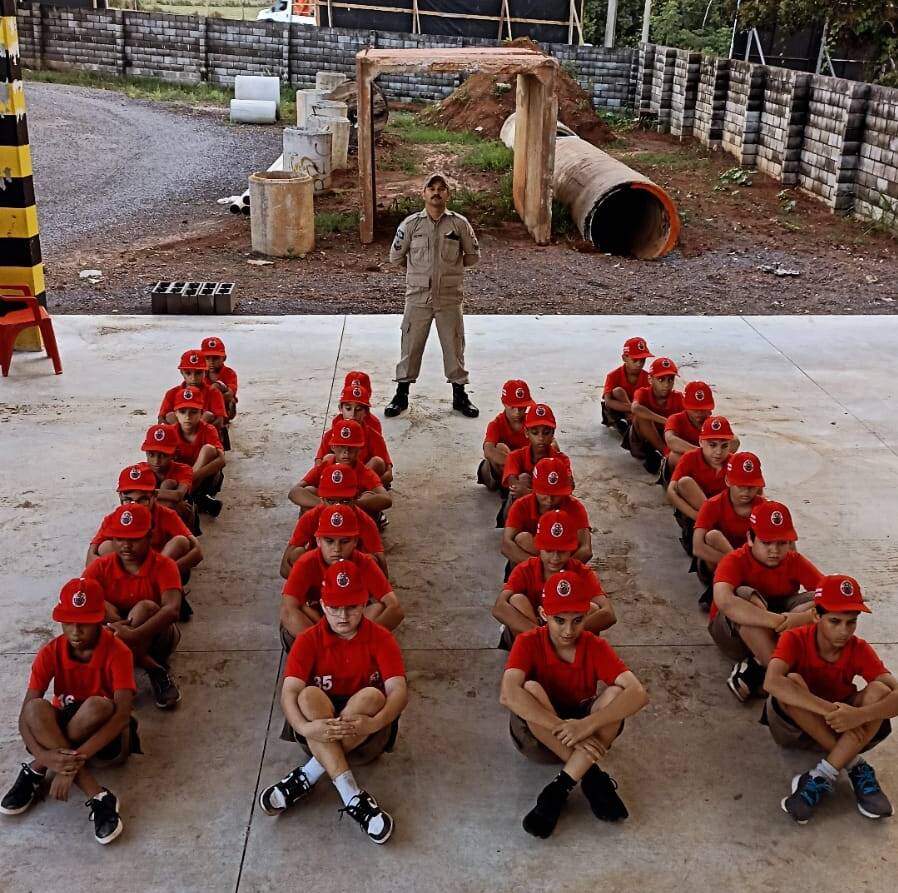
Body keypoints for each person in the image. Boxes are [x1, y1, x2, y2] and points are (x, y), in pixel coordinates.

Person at [259, 559, 408, 845]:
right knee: (307, 695)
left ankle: (307, 775)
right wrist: (306, 728)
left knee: (373, 696)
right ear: (323, 606)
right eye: (335, 607)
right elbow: (289, 693)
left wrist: (374, 722)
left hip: (365, 736)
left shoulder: (380, 638)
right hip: (317, 732)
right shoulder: (308, 640)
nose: (343, 616)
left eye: (351, 607)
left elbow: (399, 691)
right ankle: (352, 795)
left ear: (364, 604)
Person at [500, 571, 648, 838]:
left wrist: (585, 726)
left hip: (584, 731)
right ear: (543, 614)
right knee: (530, 689)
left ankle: (558, 788)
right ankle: (592, 777)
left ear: (586, 616)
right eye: (559, 620)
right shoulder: (528, 642)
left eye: (577, 620)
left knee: (618, 693)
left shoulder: (594, 645)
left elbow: (638, 693)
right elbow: (508, 694)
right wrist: (565, 729)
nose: (569, 631)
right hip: (539, 738)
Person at [0, 579, 134, 844]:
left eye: (84, 623)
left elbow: (121, 716)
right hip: (64, 729)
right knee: (35, 709)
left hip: (104, 736)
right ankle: (97, 794)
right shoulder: (50, 652)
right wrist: (43, 755)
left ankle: (36, 771)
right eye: (68, 622)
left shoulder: (118, 652)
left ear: (99, 620)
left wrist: (64, 766)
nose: (75, 631)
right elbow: (25, 717)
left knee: (97, 705)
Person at [765, 575, 898, 823]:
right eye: (835, 621)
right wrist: (832, 711)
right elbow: (771, 682)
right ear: (816, 615)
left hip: (845, 728)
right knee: (791, 681)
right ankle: (854, 763)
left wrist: (859, 715)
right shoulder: (795, 638)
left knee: (879, 690)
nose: (844, 631)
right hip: (796, 729)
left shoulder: (858, 648)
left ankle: (821, 774)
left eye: (851, 622)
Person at [385, 172, 480, 419]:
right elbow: (396, 257)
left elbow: (472, 256)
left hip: (449, 297)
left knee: (454, 346)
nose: (436, 192)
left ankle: (460, 396)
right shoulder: (411, 225)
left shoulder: (459, 224)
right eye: (431, 188)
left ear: (448, 194)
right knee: (411, 345)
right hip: (418, 297)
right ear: (424, 194)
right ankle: (401, 394)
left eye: (441, 188)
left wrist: (448, 270)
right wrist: (419, 273)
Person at [710, 501, 823, 703]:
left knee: (820, 599)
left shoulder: (794, 560)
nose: (774, 550)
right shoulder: (734, 560)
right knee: (744, 595)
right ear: (750, 538)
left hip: (779, 627)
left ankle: (756, 667)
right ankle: (778, 673)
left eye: (782, 543)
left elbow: (830, 597)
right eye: (766, 542)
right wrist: (778, 621)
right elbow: (724, 601)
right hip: (734, 634)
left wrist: (799, 618)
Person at [83, 504, 183, 709]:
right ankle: (154, 668)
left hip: (157, 637)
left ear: (149, 537)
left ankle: (118, 677)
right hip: (116, 633)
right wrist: (117, 629)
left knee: (144, 608)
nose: (126, 546)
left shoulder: (164, 565)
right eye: (119, 539)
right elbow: (80, 605)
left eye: (134, 539)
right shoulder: (100, 567)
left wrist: (133, 634)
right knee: (95, 604)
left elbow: (172, 610)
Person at [280, 506, 403, 650]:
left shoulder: (365, 562)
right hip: (317, 620)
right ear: (318, 541)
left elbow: (395, 609)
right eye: (329, 541)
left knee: (379, 608)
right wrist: (326, 646)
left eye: (345, 541)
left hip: (351, 622)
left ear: (355, 541)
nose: (337, 549)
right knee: (290, 611)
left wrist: (361, 639)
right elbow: (288, 610)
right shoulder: (306, 563)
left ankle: (352, 651)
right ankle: (326, 654)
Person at [493, 510, 614, 646]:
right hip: (534, 635)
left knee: (593, 608)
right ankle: (533, 654)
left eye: (562, 551)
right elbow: (499, 608)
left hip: (567, 636)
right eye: (549, 550)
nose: (555, 558)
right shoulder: (525, 570)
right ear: (539, 547)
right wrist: (542, 635)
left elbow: (608, 614)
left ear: (572, 549)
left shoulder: (581, 572)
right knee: (516, 600)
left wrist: (564, 632)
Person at [86, 464, 203, 587]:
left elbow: (197, 552)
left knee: (181, 541)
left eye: (142, 500)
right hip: (127, 576)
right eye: (128, 500)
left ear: (155, 496)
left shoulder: (166, 515)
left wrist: (161, 572)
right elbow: (90, 558)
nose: (135, 506)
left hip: (159, 573)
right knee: (104, 547)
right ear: (120, 497)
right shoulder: (114, 518)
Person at [280, 463, 386, 579]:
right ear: (322, 499)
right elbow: (284, 568)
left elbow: (382, 571)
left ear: (355, 499)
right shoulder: (311, 517)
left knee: (372, 560)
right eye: (331, 501)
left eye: (345, 501)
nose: (337, 506)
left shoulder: (364, 521)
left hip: (350, 575)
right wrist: (307, 582)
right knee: (297, 554)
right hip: (319, 574)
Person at [691, 451, 766, 610]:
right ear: (727, 480)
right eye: (740, 486)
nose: (746, 492)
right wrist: (737, 565)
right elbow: (697, 547)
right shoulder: (712, 505)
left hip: (752, 563)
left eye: (751, 487)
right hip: (715, 564)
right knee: (713, 536)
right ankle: (723, 585)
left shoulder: (764, 508)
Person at [289, 419, 392, 519]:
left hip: (351, 516)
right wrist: (328, 505)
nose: (346, 451)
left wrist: (353, 504)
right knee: (308, 491)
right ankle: (309, 528)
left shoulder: (365, 472)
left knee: (369, 496)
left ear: (359, 449)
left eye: (351, 447)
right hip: (326, 513)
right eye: (341, 446)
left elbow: (386, 499)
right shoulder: (324, 467)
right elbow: (294, 491)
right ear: (333, 447)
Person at [665, 416, 736, 556]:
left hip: (724, 515)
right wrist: (700, 517)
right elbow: (671, 491)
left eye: (724, 446)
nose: (718, 452)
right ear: (700, 442)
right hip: (695, 512)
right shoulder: (690, 458)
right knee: (684, 482)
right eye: (712, 445)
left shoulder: (734, 463)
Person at [502, 457, 590, 568]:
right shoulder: (521, 505)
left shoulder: (575, 507)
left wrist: (560, 570)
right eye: (544, 493)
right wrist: (540, 568)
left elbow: (586, 550)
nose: (550, 499)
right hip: (529, 564)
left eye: (556, 494)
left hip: (564, 564)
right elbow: (506, 545)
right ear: (534, 488)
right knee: (522, 539)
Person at [315, 384, 393, 487]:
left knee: (377, 462)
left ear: (366, 412)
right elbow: (319, 464)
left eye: (358, 409)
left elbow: (388, 474)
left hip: (362, 482)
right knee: (328, 458)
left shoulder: (374, 436)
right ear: (340, 409)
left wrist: (373, 485)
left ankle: (351, 491)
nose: (353, 414)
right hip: (337, 480)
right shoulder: (330, 434)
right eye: (348, 408)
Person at [170, 388, 227, 518]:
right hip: (178, 480)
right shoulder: (170, 432)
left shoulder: (208, 429)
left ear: (201, 413)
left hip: (204, 479)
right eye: (182, 412)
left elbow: (222, 460)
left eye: (193, 412)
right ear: (176, 414)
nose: (187, 417)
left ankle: (188, 497)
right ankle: (198, 499)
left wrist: (190, 477)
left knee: (209, 450)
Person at [502, 403, 571, 505]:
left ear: (553, 433)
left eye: (546, 433)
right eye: (535, 433)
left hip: (550, 507)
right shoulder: (515, 456)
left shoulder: (562, 459)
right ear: (526, 432)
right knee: (523, 479)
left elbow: (569, 487)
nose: (541, 438)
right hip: (523, 507)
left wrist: (528, 493)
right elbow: (514, 485)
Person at [628, 357, 684, 474]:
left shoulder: (678, 398)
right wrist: (666, 421)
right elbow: (635, 408)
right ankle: (664, 452)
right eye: (661, 379)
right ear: (650, 379)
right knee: (641, 416)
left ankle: (662, 456)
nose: (666, 384)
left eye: (670, 379)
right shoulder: (643, 392)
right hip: (642, 442)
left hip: (666, 438)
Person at [478, 379, 533, 493]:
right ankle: (509, 486)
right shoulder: (496, 424)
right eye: (512, 407)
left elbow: (552, 445)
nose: (517, 411)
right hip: (500, 472)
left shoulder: (532, 421)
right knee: (500, 448)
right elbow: (488, 451)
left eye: (522, 407)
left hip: (526, 471)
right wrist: (517, 465)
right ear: (503, 403)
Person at [158, 349, 227, 430]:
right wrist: (178, 432)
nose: (193, 378)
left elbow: (219, 421)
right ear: (182, 372)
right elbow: (161, 418)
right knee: (170, 416)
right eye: (188, 373)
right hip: (177, 433)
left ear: (205, 372)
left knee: (207, 416)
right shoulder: (172, 393)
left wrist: (200, 432)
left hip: (204, 434)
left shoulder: (214, 393)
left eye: (198, 373)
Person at [141, 423, 194, 522]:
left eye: (163, 455)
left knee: (168, 484)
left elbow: (178, 495)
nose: (156, 461)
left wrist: (145, 493)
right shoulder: (141, 470)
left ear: (174, 454)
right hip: (151, 518)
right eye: (151, 455)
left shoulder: (184, 469)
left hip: (181, 519)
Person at [662, 380, 716, 475]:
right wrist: (701, 453)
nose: (699, 412)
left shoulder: (713, 423)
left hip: (706, 465)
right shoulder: (675, 419)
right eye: (694, 408)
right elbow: (670, 440)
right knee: (676, 455)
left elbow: (735, 441)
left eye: (703, 408)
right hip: (676, 468)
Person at [601, 337, 652, 435]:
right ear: (624, 358)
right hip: (617, 412)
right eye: (635, 360)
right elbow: (608, 402)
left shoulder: (648, 378)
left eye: (642, 360)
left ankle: (633, 422)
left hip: (638, 413)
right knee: (618, 391)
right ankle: (631, 421)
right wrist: (633, 408)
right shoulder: (613, 376)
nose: (639, 364)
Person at [201, 336, 238, 420]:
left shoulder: (229, 373)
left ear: (224, 358)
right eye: (207, 358)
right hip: (205, 406)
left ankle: (223, 418)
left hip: (224, 405)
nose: (211, 362)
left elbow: (230, 393)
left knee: (216, 387)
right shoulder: (199, 374)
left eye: (215, 358)